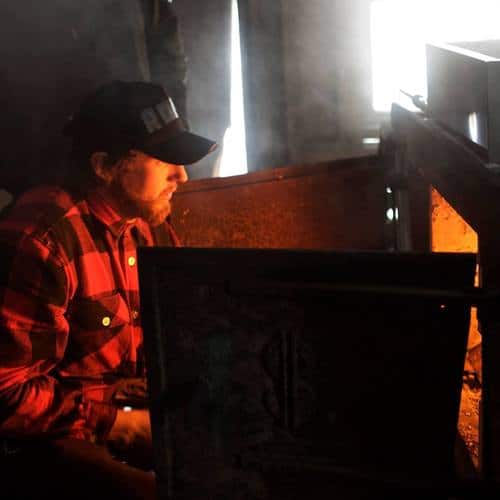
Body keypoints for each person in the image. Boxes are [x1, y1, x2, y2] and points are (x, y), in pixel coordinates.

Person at [0, 80, 216, 500]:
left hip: (121, 420)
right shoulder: (42, 239)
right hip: (43, 448)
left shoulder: (145, 225)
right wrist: (117, 425)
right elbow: (6, 395)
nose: (182, 176)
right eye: (164, 161)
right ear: (104, 166)